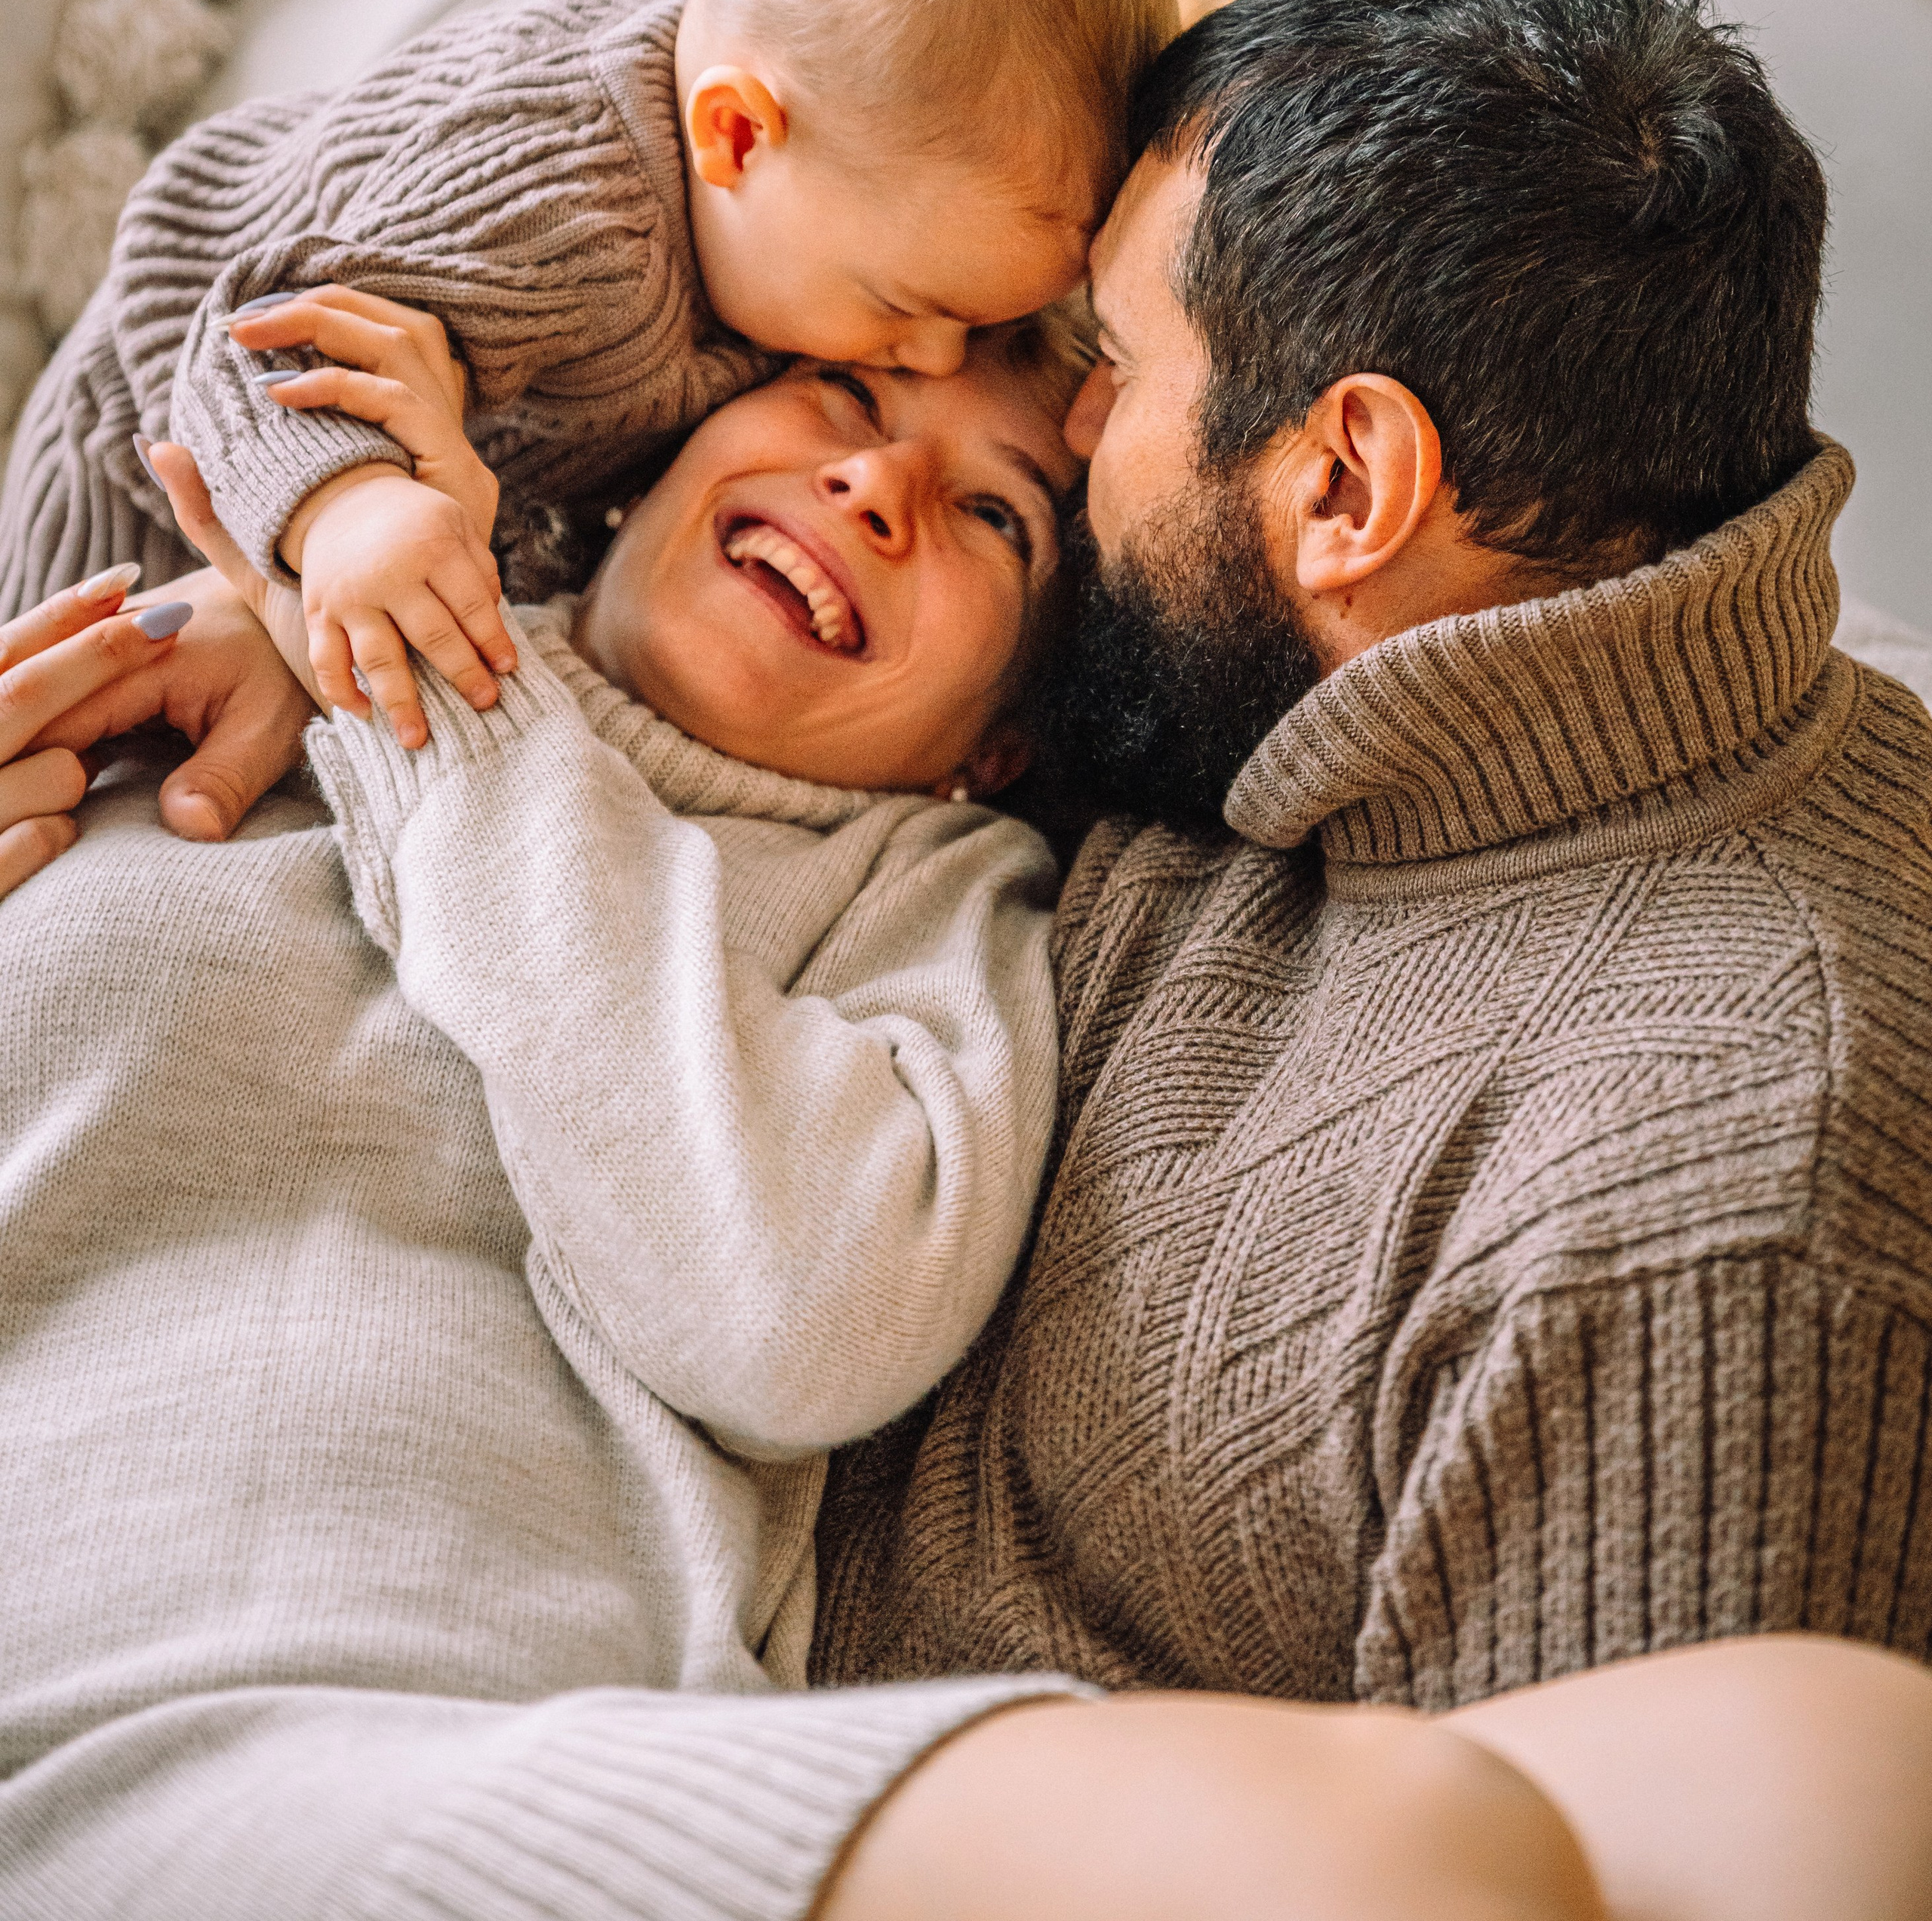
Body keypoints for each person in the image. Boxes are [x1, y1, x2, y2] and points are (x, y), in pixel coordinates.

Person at [8, 320, 1932, 1921]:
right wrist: (363, 606)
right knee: (1411, 1863)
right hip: (94, 1700)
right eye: (840, 399)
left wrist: (439, 693)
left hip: (448, 1725)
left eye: (994, 515)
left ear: (996, 738)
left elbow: (790, 1312)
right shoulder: (224, 658)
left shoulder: (929, 912)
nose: (874, 485)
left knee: (1836, 1771)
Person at [812, 0, 1932, 1716]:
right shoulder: (1277, 680)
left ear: (1344, 486)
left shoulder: (1704, 1242)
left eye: (1113, 365)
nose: (1062, 425)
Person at [0, 0, 1179, 757]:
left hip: (400, 500)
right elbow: (259, 341)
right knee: (59, 697)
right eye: (909, 311)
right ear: (735, 138)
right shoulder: (569, 205)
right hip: (151, 440)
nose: (925, 358)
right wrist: (354, 510)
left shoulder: (810, 208)